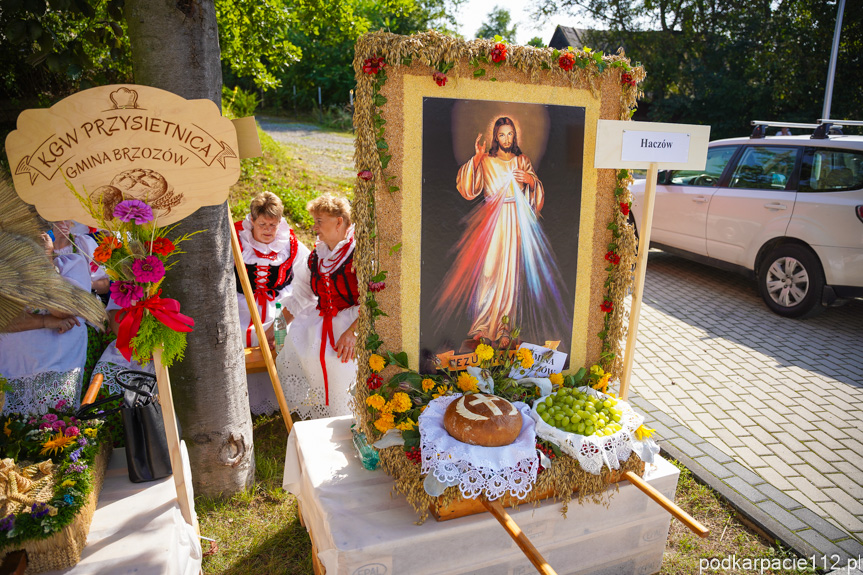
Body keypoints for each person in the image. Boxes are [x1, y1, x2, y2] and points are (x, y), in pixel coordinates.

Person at [434, 116, 568, 350]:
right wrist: (476, 157)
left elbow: (536, 192)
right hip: (492, 222)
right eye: (502, 134)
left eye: (510, 134)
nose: (506, 139)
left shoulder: (522, 160)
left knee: (510, 275)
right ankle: (483, 326)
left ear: (514, 136)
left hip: (515, 221)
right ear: (495, 136)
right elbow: (468, 189)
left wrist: (530, 180)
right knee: (489, 271)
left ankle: (505, 328)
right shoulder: (486, 161)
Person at [277, 194, 358, 420]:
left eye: (320, 221)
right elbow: (301, 295)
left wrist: (353, 332)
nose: (315, 228)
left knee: (337, 360)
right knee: (297, 349)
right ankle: (326, 414)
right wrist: (277, 326)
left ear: (339, 222)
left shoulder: (360, 254)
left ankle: (349, 417)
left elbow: (375, 302)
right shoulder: (316, 257)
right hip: (322, 319)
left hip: (354, 321)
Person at [234, 192, 310, 415]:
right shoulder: (236, 240)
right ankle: (242, 400)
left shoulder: (289, 244)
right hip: (241, 303)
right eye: (263, 224)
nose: (268, 230)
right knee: (236, 334)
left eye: (273, 225)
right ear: (252, 220)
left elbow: (307, 273)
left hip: (277, 302)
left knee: (283, 334)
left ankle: (280, 397)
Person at [0, 232, 90, 415]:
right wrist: (45, 320)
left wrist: (45, 262)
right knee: (15, 433)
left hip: (58, 364)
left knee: (55, 428)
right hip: (12, 365)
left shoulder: (72, 264)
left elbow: (64, 310)